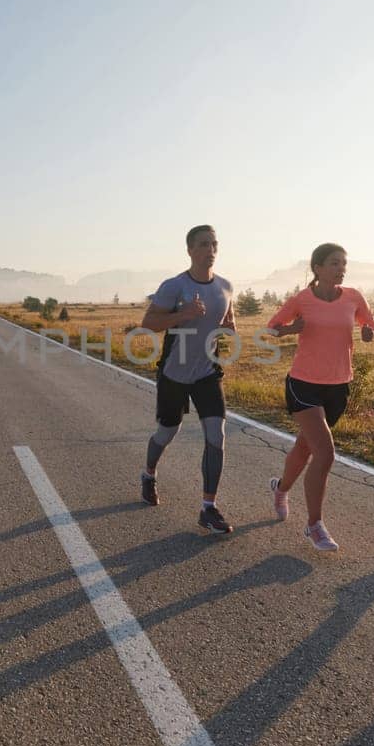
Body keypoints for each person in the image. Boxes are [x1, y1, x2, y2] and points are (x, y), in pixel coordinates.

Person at [265, 243, 374, 551]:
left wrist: (370, 333)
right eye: (334, 263)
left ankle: (280, 488)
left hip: (339, 385)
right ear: (317, 268)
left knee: (305, 447)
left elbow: (370, 324)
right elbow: (271, 328)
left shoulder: (354, 297)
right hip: (303, 384)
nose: (341, 268)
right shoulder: (302, 299)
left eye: (343, 263)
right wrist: (290, 330)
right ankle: (314, 525)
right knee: (325, 453)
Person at [139, 224, 236, 534]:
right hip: (175, 373)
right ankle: (149, 474)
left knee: (216, 435)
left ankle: (208, 507)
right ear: (190, 250)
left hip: (208, 372)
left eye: (214, 244)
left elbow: (227, 322)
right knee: (167, 432)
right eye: (204, 244)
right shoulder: (174, 286)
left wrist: (229, 328)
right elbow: (149, 322)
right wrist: (183, 315)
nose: (211, 250)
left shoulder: (225, 286)